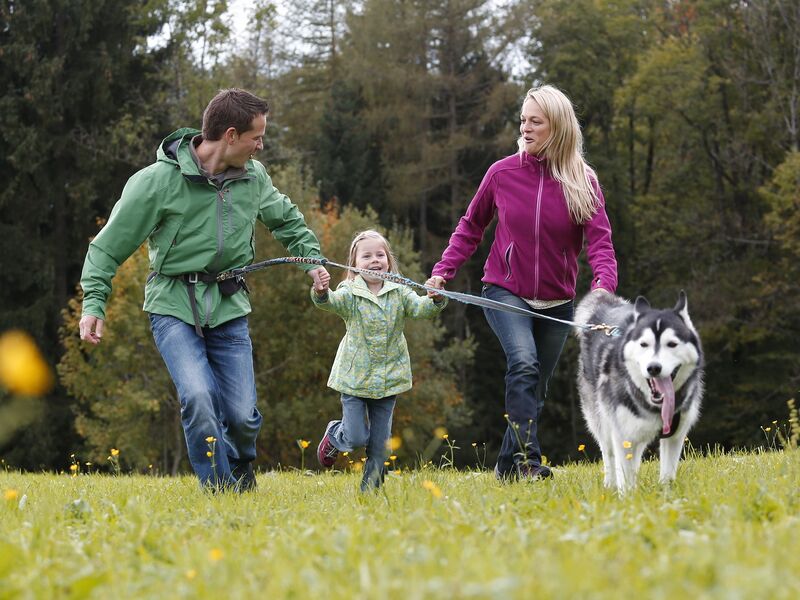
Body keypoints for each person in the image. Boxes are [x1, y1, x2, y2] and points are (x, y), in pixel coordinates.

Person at [79, 88, 331, 491]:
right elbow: (107, 247)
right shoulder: (157, 182)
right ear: (230, 136)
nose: (261, 146)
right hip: (173, 303)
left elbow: (286, 221)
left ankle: (241, 469)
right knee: (198, 397)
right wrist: (94, 302)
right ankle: (219, 491)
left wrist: (311, 259)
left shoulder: (254, 176)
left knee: (243, 416)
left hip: (229, 303)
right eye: (257, 137)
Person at [428, 84, 617, 482]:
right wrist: (443, 271)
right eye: (523, 121)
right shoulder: (502, 173)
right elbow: (470, 226)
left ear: (558, 128)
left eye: (536, 122)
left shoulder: (583, 180)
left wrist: (604, 284)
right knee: (524, 363)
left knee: (537, 388)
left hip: (558, 302)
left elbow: (600, 240)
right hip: (504, 290)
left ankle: (505, 468)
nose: (525, 128)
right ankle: (528, 463)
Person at [311, 230, 446, 491]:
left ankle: (370, 493)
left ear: (388, 260)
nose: (374, 260)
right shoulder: (349, 292)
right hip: (354, 380)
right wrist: (321, 292)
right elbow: (330, 303)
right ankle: (334, 435)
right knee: (355, 437)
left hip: (388, 380)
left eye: (380, 255)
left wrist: (435, 299)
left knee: (380, 445)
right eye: (367, 256)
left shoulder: (400, 292)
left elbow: (420, 309)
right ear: (355, 263)